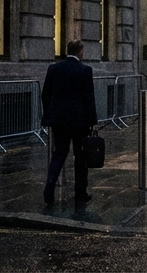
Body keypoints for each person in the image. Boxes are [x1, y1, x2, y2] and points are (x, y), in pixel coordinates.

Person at [41, 39, 98, 206]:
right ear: (80, 52)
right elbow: (89, 99)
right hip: (79, 122)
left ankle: (50, 185)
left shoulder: (54, 68)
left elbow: (45, 95)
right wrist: (93, 121)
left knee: (59, 153)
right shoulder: (85, 70)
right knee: (80, 157)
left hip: (59, 121)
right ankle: (80, 193)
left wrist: (51, 114)